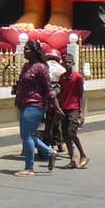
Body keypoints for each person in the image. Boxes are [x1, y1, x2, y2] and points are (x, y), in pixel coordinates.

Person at [13, 39, 61, 176]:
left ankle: (29, 167)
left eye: (27, 49)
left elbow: (49, 88)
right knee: (26, 135)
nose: (24, 52)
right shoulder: (26, 66)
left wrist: (56, 106)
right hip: (24, 103)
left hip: (36, 104)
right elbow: (21, 83)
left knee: (27, 135)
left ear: (34, 51)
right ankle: (50, 152)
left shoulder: (41, 67)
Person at [58, 52, 89, 168]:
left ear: (73, 63)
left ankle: (83, 154)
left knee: (72, 132)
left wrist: (82, 111)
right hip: (64, 108)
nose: (67, 65)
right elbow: (61, 93)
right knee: (65, 135)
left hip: (74, 108)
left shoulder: (77, 77)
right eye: (65, 62)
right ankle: (72, 159)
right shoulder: (62, 78)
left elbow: (82, 94)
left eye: (69, 62)